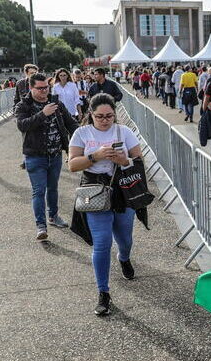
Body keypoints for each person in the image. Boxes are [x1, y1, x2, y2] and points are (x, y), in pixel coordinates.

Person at [68, 94, 143, 316]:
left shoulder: (124, 132)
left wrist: (124, 161)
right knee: (101, 243)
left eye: (109, 116)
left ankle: (124, 258)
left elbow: (139, 161)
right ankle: (103, 293)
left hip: (122, 189)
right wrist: (95, 156)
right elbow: (72, 165)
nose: (104, 120)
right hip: (94, 191)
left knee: (125, 238)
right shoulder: (82, 133)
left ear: (114, 114)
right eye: (99, 116)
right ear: (90, 114)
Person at [15, 73, 79, 241]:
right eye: (40, 88)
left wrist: (83, 135)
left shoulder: (56, 102)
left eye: (46, 87)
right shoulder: (23, 105)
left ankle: (53, 216)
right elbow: (22, 125)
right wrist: (43, 114)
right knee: (38, 191)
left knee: (53, 188)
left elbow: (70, 123)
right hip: (35, 156)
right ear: (31, 87)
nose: (44, 91)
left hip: (56, 154)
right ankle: (41, 226)